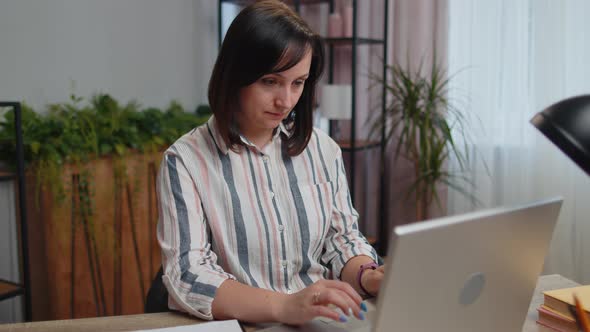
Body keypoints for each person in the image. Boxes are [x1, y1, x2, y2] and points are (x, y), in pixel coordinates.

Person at [156, 0, 384, 325]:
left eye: (298, 83)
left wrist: (367, 275)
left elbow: (340, 239)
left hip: (322, 321)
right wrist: (285, 306)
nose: (286, 101)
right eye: (270, 81)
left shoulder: (323, 151)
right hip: (246, 324)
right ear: (234, 75)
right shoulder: (186, 161)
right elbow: (188, 276)